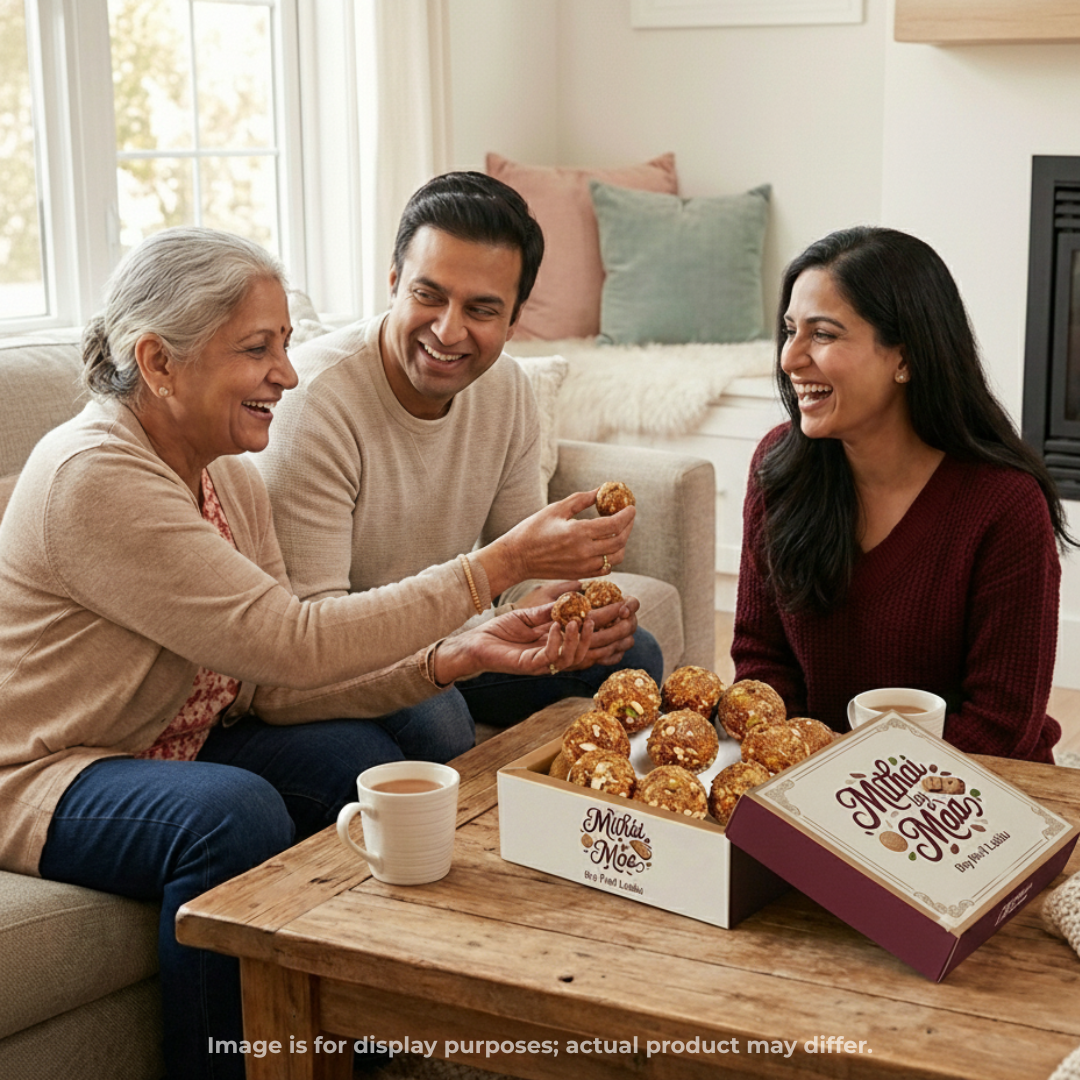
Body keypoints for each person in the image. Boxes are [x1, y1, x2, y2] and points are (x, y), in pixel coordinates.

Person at [0, 226, 628, 1080]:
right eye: (257, 349)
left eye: (286, 344)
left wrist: (453, 658)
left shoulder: (225, 471)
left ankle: (355, 1041)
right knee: (230, 814)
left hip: (180, 738)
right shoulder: (95, 474)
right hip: (48, 770)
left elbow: (269, 685)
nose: (287, 375)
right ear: (158, 362)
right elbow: (292, 639)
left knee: (365, 770)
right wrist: (495, 568)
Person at [256, 171, 663, 739]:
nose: (448, 332)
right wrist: (470, 628)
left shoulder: (508, 391)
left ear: (514, 320)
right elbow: (313, 640)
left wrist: (556, 607)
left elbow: (517, 578)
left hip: (451, 637)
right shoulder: (314, 403)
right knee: (438, 723)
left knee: (631, 654)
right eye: (429, 296)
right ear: (394, 283)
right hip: (341, 659)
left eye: (481, 310)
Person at [733, 225, 1072, 763]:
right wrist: (802, 771)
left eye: (823, 335)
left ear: (906, 358)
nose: (789, 358)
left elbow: (1000, 723)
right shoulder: (779, 466)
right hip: (817, 778)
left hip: (973, 787)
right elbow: (761, 661)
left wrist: (856, 782)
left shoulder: (1006, 505)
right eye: (790, 330)